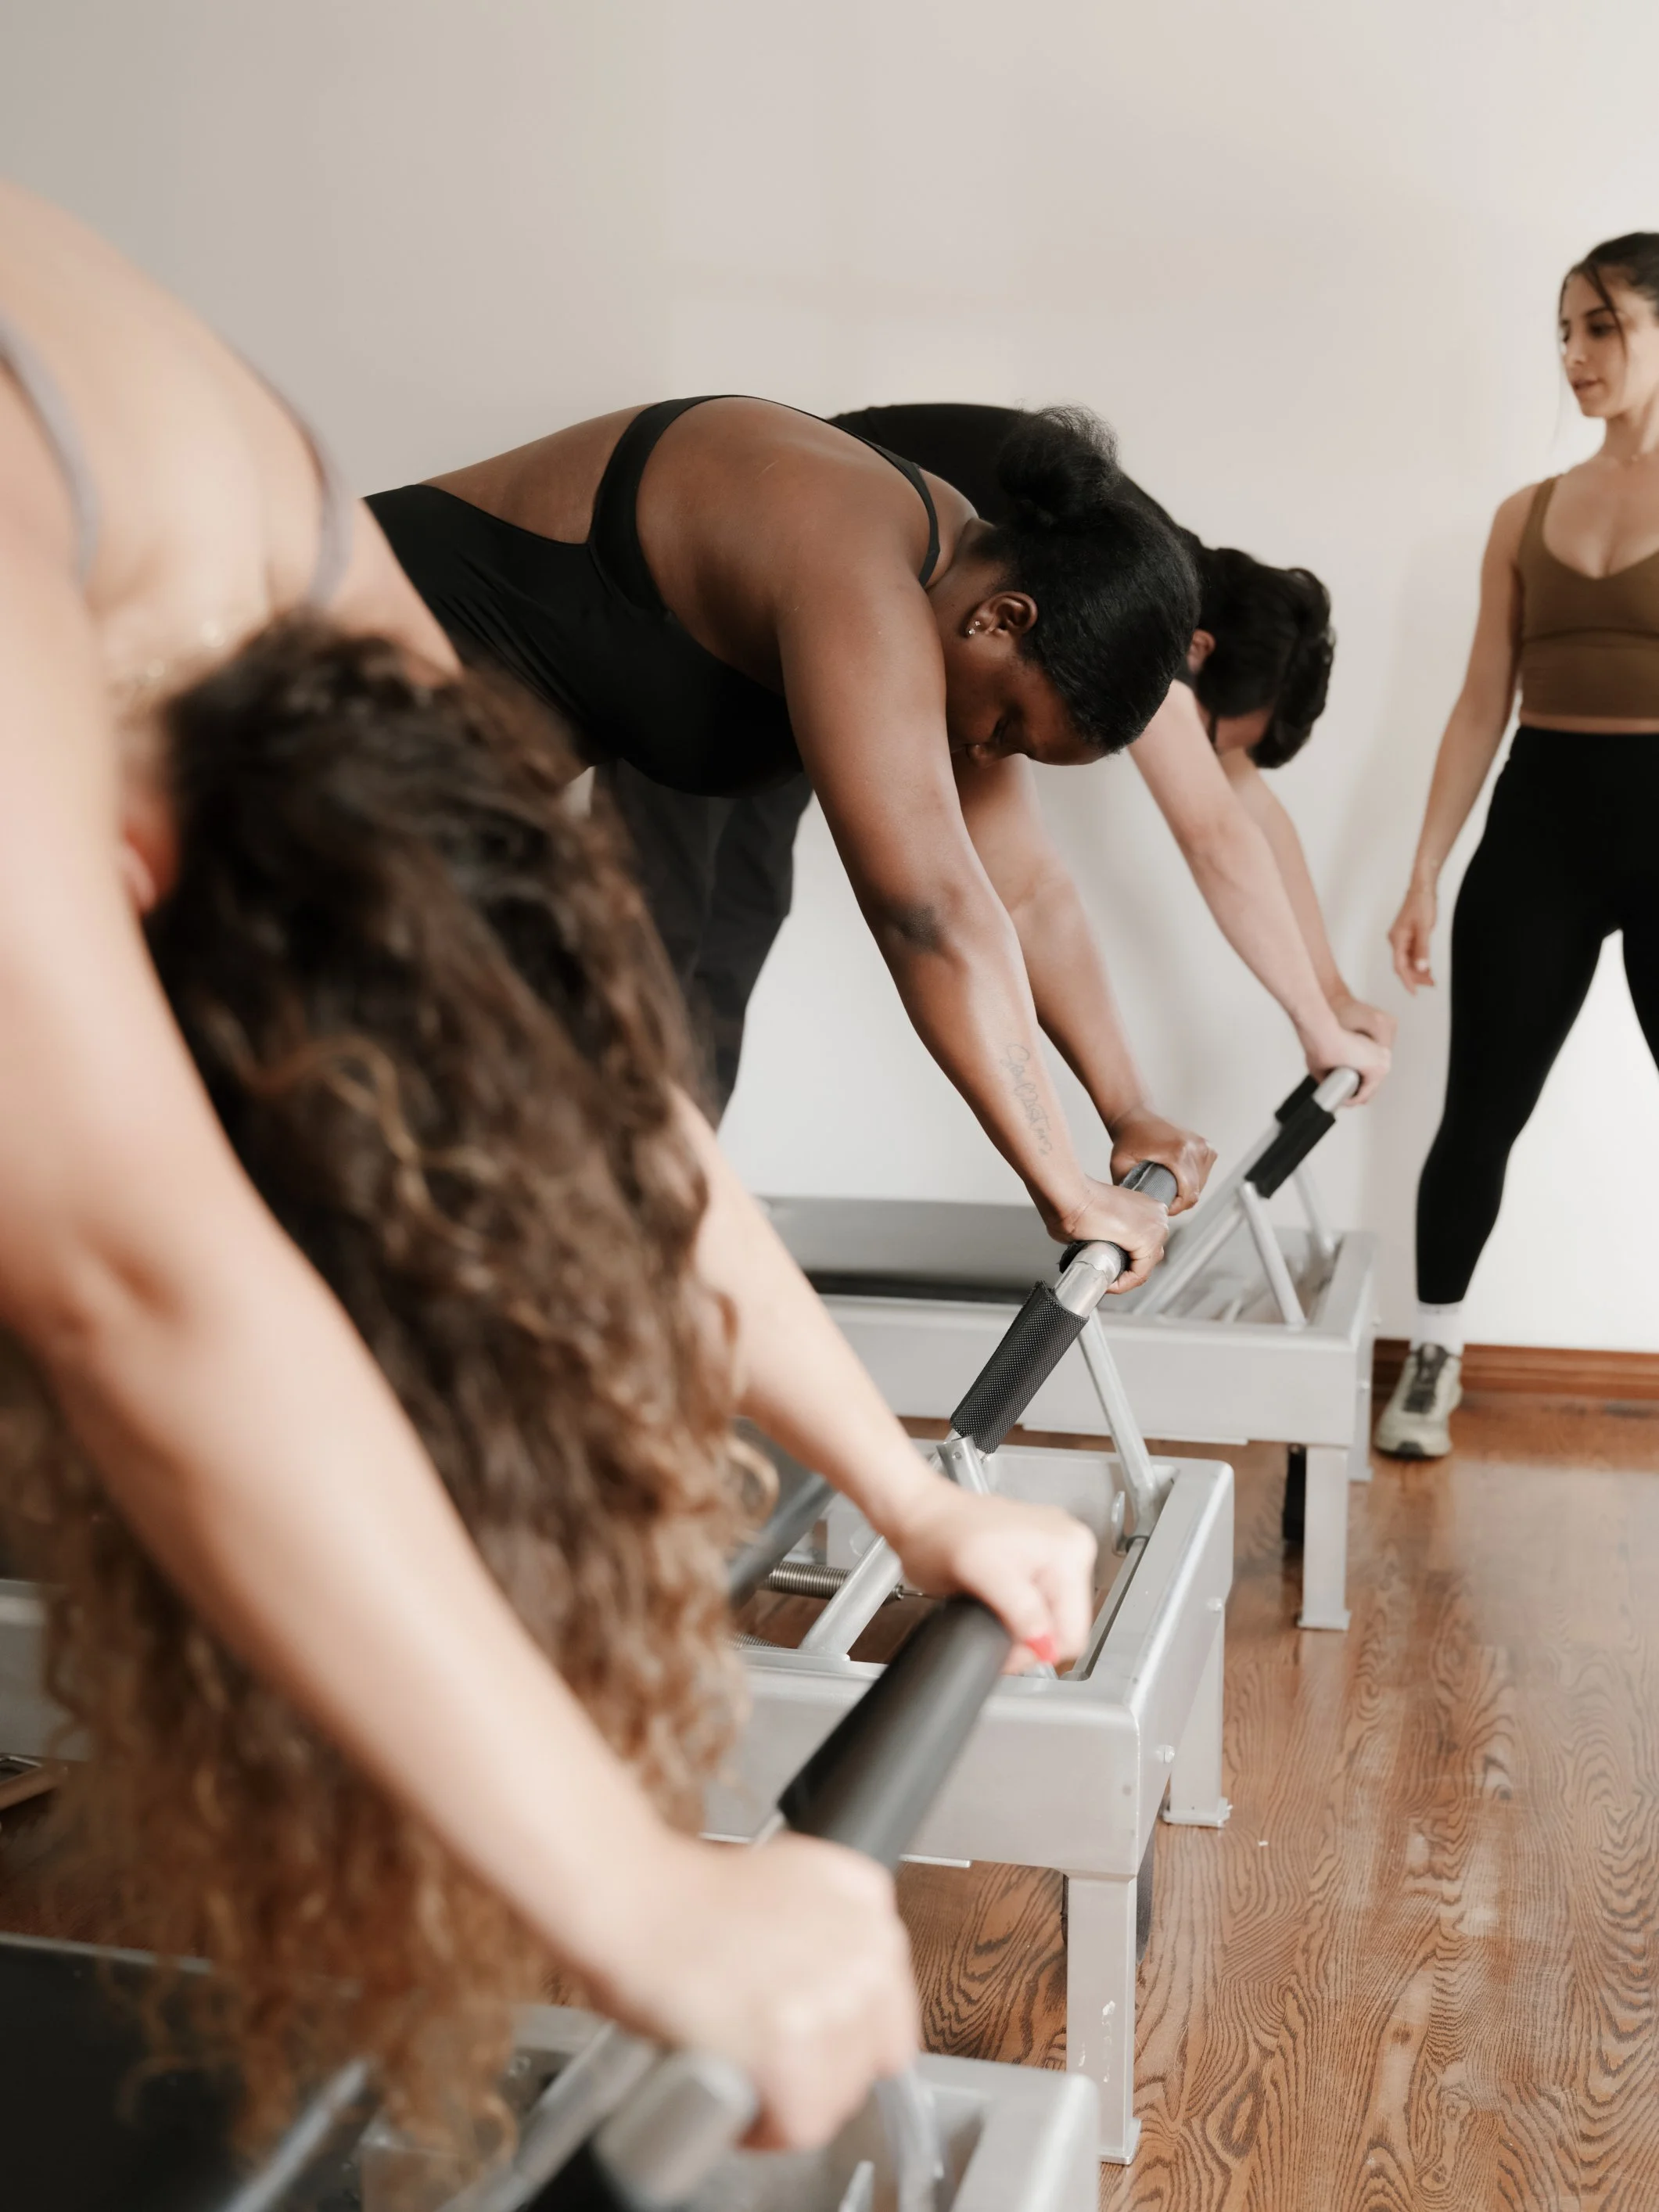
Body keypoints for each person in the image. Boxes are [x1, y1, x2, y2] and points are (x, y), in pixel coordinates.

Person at [0, 178, 1095, 2157]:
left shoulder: (284, 536)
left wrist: (907, 1496)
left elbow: (588, 1075)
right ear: (134, 894)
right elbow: (129, 1267)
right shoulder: (100, 545)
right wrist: (635, 1885)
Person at [371, 398, 1217, 1253]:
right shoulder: (860, 561)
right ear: (1003, 618)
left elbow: (1027, 890)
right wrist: (1063, 1188)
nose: (982, 750)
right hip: (320, 690)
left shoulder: (950, 601)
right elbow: (928, 913)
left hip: (418, 796)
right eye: (1005, 727)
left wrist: (1127, 1108)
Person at [646, 399, 1391, 1114]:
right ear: (1199, 653)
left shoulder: (1145, 569)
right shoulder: (1130, 604)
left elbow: (1244, 810)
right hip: (732, 609)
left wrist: (1333, 996)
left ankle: (667, 1200)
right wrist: (1316, 1031)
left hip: (814, 642)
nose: (1204, 759)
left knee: (738, 914)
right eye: (1212, 736)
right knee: (669, 930)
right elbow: (1214, 836)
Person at [1377, 233, 1659, 1458]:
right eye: (1562, 331)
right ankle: (1432, 1357)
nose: (1574, 356)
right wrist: (1426, 866)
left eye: (1601, 328)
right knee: (1477, 1110)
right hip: (1538, 826)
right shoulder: (1526, 514)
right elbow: (1480, 702)